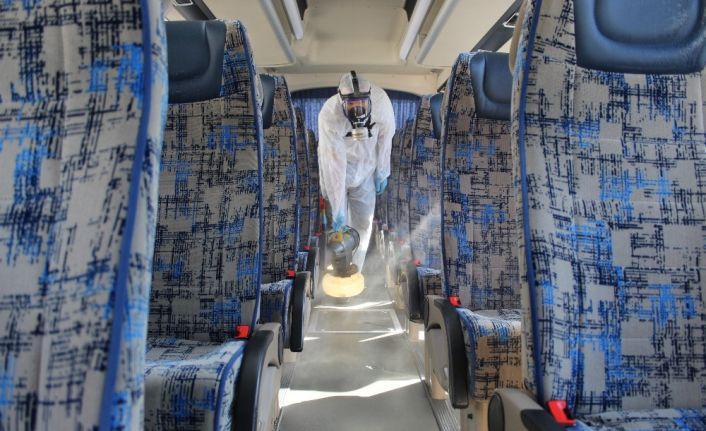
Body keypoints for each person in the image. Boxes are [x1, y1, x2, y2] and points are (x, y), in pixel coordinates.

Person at [318, 71, 396, 272]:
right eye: (352, 105)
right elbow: (333, 162)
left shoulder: (382, 103)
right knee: (338, 225)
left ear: (370, 98)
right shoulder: (330, 114)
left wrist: (382, 171)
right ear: (341, 100)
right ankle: (336, 269)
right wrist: (338, 208)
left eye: (362, 103)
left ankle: (354, 269)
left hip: (367, 169)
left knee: (363, 224)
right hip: (336, 170)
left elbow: (386, 138)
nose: (358, 109)